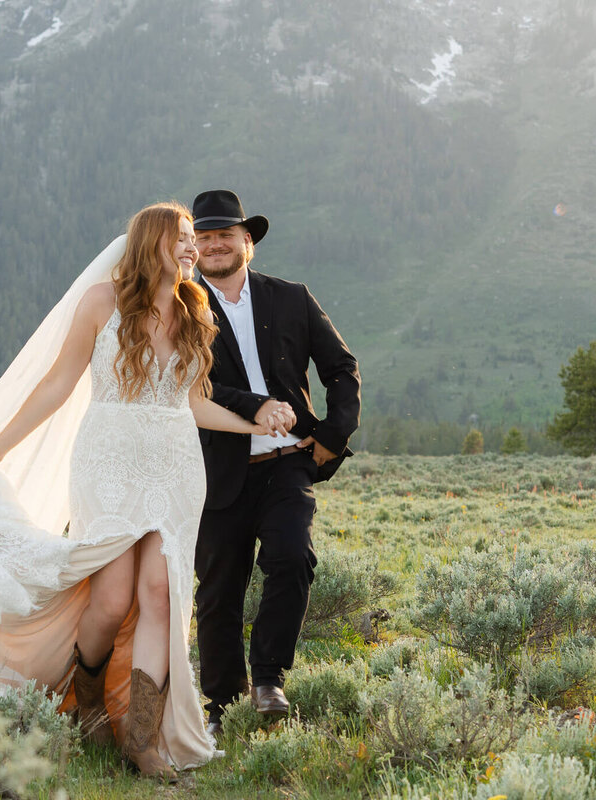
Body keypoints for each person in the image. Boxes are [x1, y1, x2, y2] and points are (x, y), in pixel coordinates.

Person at [0, 202, 285, 780]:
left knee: (160, 593)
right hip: (108, 463)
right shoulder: (101, 304)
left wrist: (253, 424)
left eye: (194, 240)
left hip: (175, 465)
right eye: (182, 239)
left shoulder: (194, 309)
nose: (193, 249)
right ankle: (83, 701)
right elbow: (57, 383)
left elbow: (193, 400)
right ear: (150, 241)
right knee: (109, 599)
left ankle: (142, 739)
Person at [190, 189, 361, 736]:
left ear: (248, 242)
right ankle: (220, 703)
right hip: (217, 467)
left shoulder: (291, 297)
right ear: (194, 247)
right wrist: (256, 407)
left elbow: (341, 366)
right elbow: (195, 385)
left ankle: (268, 678)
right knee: (219, 589)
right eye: (205, 236)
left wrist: (333, 436)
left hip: (290, 462)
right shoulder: (180, 307)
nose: (215, 244)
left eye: (225, 234)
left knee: (292, 558)